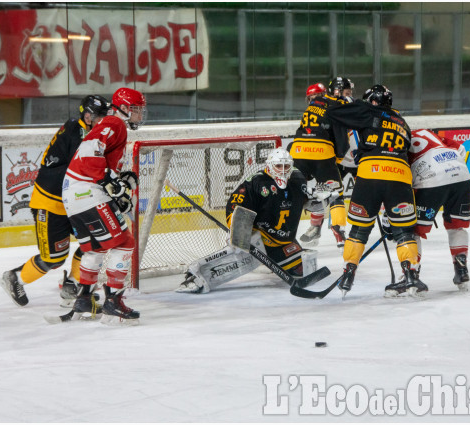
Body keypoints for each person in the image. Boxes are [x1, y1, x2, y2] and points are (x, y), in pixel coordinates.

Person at [0, 95, 111, 307]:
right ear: (87, 116)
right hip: (51, 203)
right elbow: (87, 167)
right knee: (54, 258)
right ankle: (15, 278)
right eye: (100, 117)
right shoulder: (76, 133)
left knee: (94, 242)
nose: (103, 121)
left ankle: (74, 284)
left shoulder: (87, 131)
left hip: (73, 200)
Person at [176, 148, 328, 294]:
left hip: (283, 240)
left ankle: (273, 257)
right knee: (238, 254)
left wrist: (320, 201)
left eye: (286, 166)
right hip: (260, 237)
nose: (282, 170)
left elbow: (304, 201)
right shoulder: (256, 183)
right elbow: (235, 205)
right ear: (269, 166)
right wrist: (239, 231)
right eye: (278, 166)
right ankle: (195, 276)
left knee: (302, 270)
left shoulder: (297, 178)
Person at [326, 84, 427, 296]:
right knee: (403, 232)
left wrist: (347, 103)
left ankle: (348, 274)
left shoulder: (368, 111)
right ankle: (410, 275)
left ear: (372, 101)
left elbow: (333, 113)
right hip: (400, 177)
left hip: (370, 176)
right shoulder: (403, 123)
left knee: (359, 231)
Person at [61, 87, 146, 323]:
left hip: (74, 195)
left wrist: (117, 179)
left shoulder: (111, 125)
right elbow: (89, 156)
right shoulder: (114, 123)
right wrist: (110, 181)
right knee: (126, 242)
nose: (140, 115)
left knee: (95, 247)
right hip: (87, 191)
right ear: (125, 108)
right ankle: (113, 301)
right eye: (137, 109)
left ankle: (84, 298)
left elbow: (99, 161)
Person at [406, 128, 470, 291]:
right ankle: (461, 269)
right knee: (457, 226)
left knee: (413, 231)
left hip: (431, 180)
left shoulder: (399, 140)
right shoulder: (429, 133)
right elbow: (461, 150)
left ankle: (412, 274)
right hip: (461, 175)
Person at [289, 77, 352, 249]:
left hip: (300, 151)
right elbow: (342, 139)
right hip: (325, 154)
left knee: (294, 194)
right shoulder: (338, 106)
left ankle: (285, 234)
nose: (313, 99)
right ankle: (338, 231)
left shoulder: (314, 106)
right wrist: (336, 158)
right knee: (334, 193)